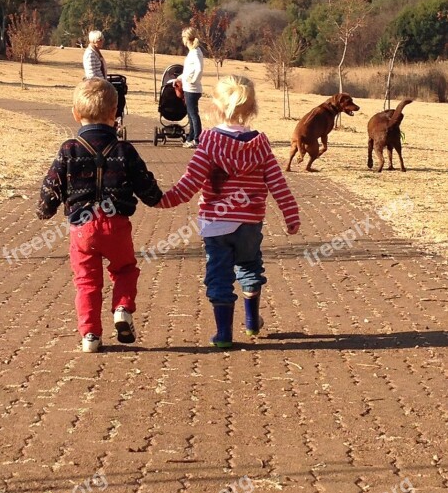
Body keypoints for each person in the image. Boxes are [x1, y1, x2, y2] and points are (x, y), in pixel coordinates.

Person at [157, 75, 300, 348]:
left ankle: (223, 334)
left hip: (216, 224)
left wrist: (164, 200)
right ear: (251, 109)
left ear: (216, 107)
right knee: (249, 267)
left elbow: (190, 182)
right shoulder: (261, 143)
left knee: (219, 275)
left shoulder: (209, 142)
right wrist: (290, 214)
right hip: (250, 222)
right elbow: (277, 182)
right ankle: (250, 322)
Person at [36, 79, 163, 353]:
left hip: (81, 228)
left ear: (75, 113)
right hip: (116, 224)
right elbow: (145, 184)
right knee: (125, 269)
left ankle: (90, 335)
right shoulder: (123, 150)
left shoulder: (69, 149)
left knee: (86, 282)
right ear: (115, 112)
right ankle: (122, 308)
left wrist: (45, 209)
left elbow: (52, 184)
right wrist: (156, 198)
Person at [179, 27, 204, 148]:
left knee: (193, 114)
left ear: (186, 39)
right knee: (190, 114)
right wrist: (179, 78)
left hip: (192, 89)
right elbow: (189, 70)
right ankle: (191, 137)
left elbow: (199, 69)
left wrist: (193, 80)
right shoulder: (192, 52)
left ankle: (197, 139)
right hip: (188, 87)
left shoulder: (196, 52)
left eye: (183, 37)